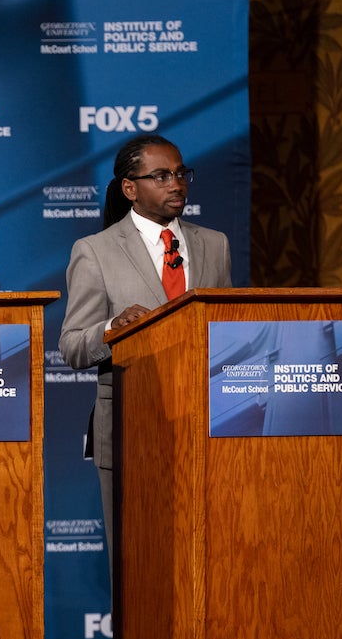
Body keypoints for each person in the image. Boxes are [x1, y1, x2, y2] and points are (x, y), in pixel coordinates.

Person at [58, 134, 232, 578]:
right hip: (131, 427)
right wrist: (113, 330)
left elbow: (226, 332)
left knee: (205, 560)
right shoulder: (95, 251)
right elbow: (74, 345)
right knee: (137, 568)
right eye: (161, 175)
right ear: (130, 188)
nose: (176, 184)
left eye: (180, 173)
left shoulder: (215, 245)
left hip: (204, 426)